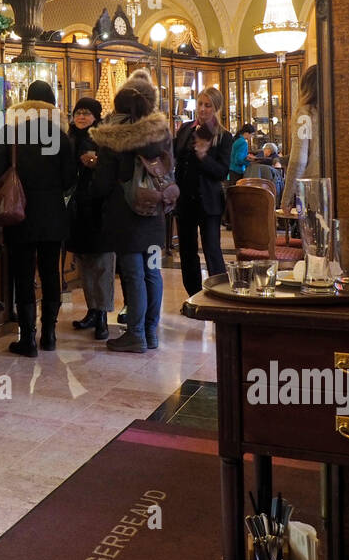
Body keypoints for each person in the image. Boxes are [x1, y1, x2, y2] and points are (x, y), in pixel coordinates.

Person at [0, 81, 74, 357]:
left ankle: (28, 340)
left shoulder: (12, 131)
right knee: (50, 274)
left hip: (20, 214)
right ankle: (49, 335)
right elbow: (70, 179)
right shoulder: (61, 136)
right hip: (53, 215)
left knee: (23, 275)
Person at [90, 75, 174, 353]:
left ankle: (135, 333)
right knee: (153, 272)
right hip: (155, 211)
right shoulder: (161, 133)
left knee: (134, 274)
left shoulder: (111, 136)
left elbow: (101, 184)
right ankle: (151, 332)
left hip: (125, 217)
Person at [173, 86, 229, 299]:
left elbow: (222, 172)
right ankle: (194, 296)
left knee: (212, 251)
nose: (203, 109)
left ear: (216, 109)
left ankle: (221, 297)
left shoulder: (223, 136)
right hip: (185, 200)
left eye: (208, 105)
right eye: (200, 104)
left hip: (209, 202)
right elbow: (176, 158)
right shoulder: (186, 129)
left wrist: (204, 157)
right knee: (187, 252)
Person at [67, 97, 115, 340]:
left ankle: (104, 314)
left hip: (100, 209)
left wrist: (97, 165)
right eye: (78, 112)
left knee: (103, 263)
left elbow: (113, 171)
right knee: (84, 262)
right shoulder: (69, 139)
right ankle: (92, 310)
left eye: (86, 113)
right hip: (78, 210)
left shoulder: (104, 138)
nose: (82, 117)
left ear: (96, 116)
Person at [280, 65, 320, 210]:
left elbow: (299, 159)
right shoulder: (335, 109)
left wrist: (287, 198)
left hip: (314, 187)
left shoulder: (305, 114)